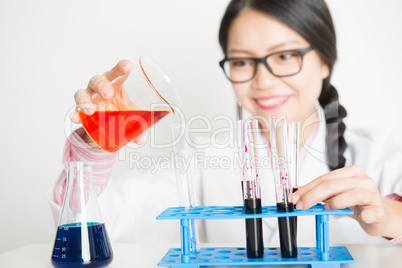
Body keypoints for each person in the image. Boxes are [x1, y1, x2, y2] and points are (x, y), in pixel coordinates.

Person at [49, 0, 402, 245]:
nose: (263, 80)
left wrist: (390, 216)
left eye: (284, 56)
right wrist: (94, 146)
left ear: (325, 61)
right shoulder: (201, 162)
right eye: (242, 62)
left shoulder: (378, 157)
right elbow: (95, 226)